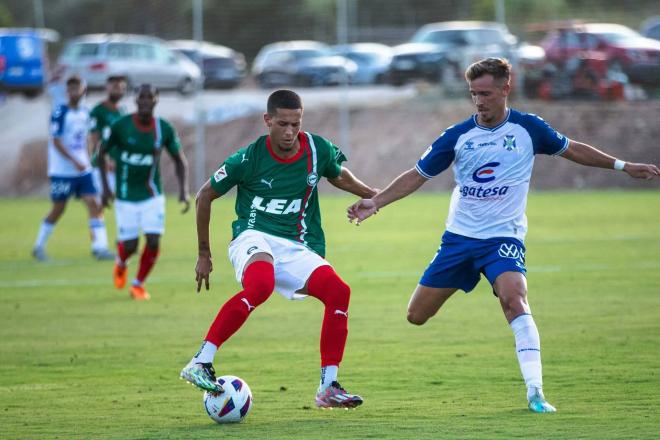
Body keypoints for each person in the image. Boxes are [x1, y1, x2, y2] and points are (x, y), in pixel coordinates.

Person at [347, 58, 659, 413]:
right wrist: (377, 202)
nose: (479, 101)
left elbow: (572, 149)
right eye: (473, 94)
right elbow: (417, 175)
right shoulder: (457, 136)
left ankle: (535, 391)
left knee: (514, 298)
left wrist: (622, 166)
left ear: (505, 89)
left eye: (486, 93)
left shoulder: (529, 129)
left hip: (503, 238)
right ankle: (469, 282)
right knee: (416, 315)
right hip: (459, 240)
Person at [180, 89, 377, 409]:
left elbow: (337, 174)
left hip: (295, 244)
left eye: (295, 125)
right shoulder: (249, 158)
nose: (289, 132)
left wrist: (373, 195)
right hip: (252, 235)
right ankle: (201, 361)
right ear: (267, 120)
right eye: (282, 124)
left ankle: (328, 387)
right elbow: (204, 196)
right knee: (261, 286)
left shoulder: (316, 149)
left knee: (339, 292)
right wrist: (204, 253)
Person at [98, 84, 190, 301]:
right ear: (135, 100)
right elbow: (100, 153)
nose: (146, 101)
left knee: (153, 241)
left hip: (152, 195)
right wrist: (104, 189)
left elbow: (180, 161)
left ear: (157, 99)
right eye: (142, 97)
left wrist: (184, 191)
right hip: (125, 195)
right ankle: (121, 263)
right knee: (130, 246)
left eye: (150, 97)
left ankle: (138, 284)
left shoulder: (163, 129)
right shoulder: (121, 126)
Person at [32, 75, 113, 262]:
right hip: (62, 171)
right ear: (66, 92)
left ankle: (99, 248)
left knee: (95, 204)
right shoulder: (60, 112)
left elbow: (87, 141)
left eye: (77, 89)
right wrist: (74, 160)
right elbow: (57, 141)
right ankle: (38, 247)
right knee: (58, 209)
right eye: (70, 89)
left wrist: (92, 160)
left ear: (84, 90)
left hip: (83, 171)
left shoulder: (86, 113)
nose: (73, 92)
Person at [90, 75, 128, 205]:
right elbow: (95, 139)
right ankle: (98, 226)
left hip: (119, 165)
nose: (118, 91)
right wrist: (106, 160)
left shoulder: (123, 110)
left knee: (124, 204)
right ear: (107, 88)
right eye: (115, 87)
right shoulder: (98, 111)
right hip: (102, 166)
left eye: (122, 88)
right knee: (99, 204)